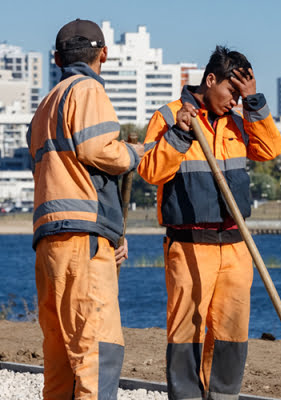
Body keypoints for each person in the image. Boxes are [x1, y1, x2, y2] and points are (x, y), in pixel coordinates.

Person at [138, 46, 281, 399]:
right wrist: (180, 134)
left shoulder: (238, 119)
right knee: (187, 331)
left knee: (232, 333)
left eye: (239, 94)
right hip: (188, 245)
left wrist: (254, 101)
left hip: (235, 246)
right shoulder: (169, 115)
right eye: (231, 92)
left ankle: (223, 397)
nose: (233, 100)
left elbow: (270, 150)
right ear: (210, 79)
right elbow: (150, 170)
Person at [27, 19, 144, 400]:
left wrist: (109, 235)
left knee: (60, 354)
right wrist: (131, 155)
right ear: (103, 55)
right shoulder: (87, 90)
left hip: (50, 242)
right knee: (97, 350)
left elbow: (62, 172)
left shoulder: (46, 105)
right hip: (81, 241)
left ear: (57, 58)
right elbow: (96, 152)